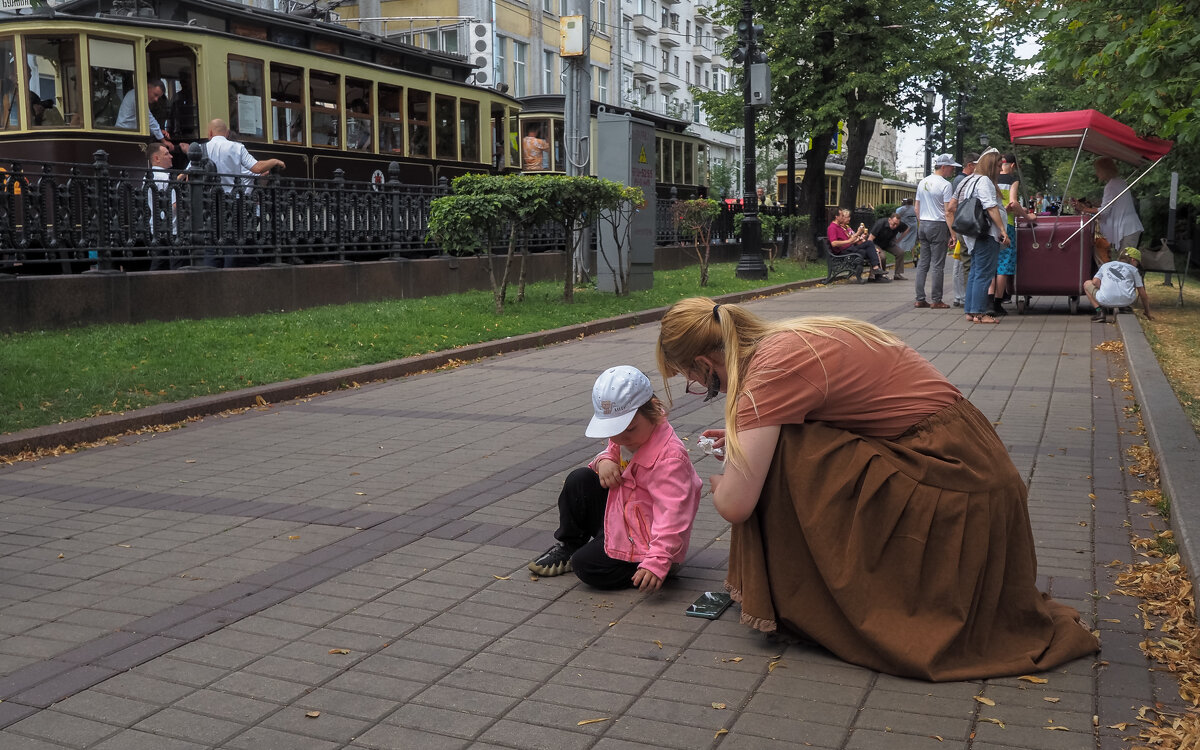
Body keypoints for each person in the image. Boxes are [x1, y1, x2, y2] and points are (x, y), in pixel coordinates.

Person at [654, 297, 1100, 681]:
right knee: (783, 446)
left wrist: (723, 479)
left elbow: (734, 504)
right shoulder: (794, 336)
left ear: (705, 363)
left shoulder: (766, 375)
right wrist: (746, 441)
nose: (698, 388)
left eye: (690, 379)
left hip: (952, 482)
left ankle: (810, 601)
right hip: (974, 468)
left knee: (785, 458)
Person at [527, 366, 702, 591]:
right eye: (613, 430)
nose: (620, 438)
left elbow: (674, 515)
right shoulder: (624, 439)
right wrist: (605, 460)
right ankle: (570, 546)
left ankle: (650, 570)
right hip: (623, 519)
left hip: (650, 545)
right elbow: (611, 452)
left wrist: (658, 560)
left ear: (656, 412)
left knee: (586, 566)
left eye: (628, 429)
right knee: (580, 479)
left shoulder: (670, 459)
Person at [948, 148, 1007, 325]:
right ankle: (980, 313)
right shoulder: (985, 182)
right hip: (986, 233)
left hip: (971, 234)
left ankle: (971, 310)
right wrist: (1002, 230)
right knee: (983, 274)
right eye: (998, 166)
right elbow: (991, 207)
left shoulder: (966, 181)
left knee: (975, 272)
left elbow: (951, 207)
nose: (1000, 170)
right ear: (990, 165)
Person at [913, 153, 958, 308]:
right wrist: (953, 233)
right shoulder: (945, 185)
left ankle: (919, 298)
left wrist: (921, 223)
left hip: (924, 224)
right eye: (951, 167)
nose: (952, 170)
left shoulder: (922, 182)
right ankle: (936, 300)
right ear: (944, 167)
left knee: (923, 263)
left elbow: (916, 207)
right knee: (938, 264)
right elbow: (948, 212)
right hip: (938, 225)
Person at [1072, 157, 1142, 252]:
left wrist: (1083, 209)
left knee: (1126, 263)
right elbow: (1111, 207)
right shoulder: (1120, 182)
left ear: (1105, 170)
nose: (1096, 174)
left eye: (1098, 170)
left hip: (1127, 229)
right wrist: (1088, 208)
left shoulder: (1111, 186)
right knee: (1125, 262)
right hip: (1131, 227)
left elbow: (1104, 211)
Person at [199, 118, 285, 193]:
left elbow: (188, 174)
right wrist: (274, 161)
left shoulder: (200, 148)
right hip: (231, 199)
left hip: (208, 199)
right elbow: (257, 168)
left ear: (210, 133)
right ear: (227, 133)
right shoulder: (237, 147)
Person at [1084, 247, 1153, 322]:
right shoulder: (1134, 270)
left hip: (1104, 300)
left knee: (1086, 283)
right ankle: (1123, 307)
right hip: (1127, 300)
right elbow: (1142, 294)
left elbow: (1095, 282)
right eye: (1137, 263)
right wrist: (1147, 312)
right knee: (1130, 283)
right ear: (1133, 260)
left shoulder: (1106, 265)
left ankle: (1100, 312)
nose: (1137, 265)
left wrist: (1104, 288)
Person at [990, 153, 1021, 316]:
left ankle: (988, 301)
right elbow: (1013, 202)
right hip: (1006, 224)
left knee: (992, 263)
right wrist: (1026, 215)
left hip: (990, 225)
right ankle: (997, 302)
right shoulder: (1012, 180)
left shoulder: (990, 179)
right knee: (1004, 263)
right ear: (1013, 166)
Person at [948, 152, 979, 307]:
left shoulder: (958, 181)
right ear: (970, 165)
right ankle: (965, 297)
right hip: (966, 226)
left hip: (962, 225)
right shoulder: (964, 181)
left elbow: (951, 207)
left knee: (963, 262)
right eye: (977, 165)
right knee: (963, 263)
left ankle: (963, 297)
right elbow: (951, 208)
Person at [827, 208, 888, 281]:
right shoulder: (832, 227)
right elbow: (833, 243)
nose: (843, 217)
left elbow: (851, 240)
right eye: (842, 215)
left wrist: (857, 237)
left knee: (868, 247)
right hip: (844, 251)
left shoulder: (840, 227)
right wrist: (849, 241)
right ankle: (876, 270)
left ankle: (876, 272)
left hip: (850, 248)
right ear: (836, 217)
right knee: (869, 248)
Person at [116, 81, 174, 152]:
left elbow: (141, 123)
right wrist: (164, 141)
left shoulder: (133, 94)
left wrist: (159, 131)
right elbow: (149, 120)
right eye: (155, 95)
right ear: (147, 87)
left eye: (158, 97)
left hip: (126, 135)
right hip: (126, 137)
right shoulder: (137, 97)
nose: (156, 99)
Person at [867, 212, 910, 280]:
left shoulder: (899, 224)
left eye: (897, 224)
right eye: (893, 224)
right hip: (876, 243)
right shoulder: (880, 224)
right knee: (882, 256)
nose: (895, 226)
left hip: (888, 243)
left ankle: (897, 274)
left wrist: (899, 240)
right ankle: (881, 274)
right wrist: (873, 249)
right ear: (889, 220)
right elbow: (870, 239)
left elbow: (907, 229)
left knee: (900, 252)